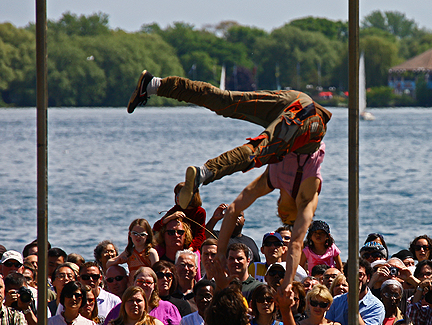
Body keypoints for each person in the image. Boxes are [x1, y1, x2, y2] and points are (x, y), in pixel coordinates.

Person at [129, 75, 331, 295]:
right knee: (258, 149)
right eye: (281, 209)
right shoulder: (307, 200)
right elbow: (294, 245)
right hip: (310, 123)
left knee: (226, 103)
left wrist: (220, 252)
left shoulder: (272, 180)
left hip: (296, 102)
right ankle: (203, 173)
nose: (279, 206)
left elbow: (234, 209)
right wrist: (286, 285)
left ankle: (154, 85)